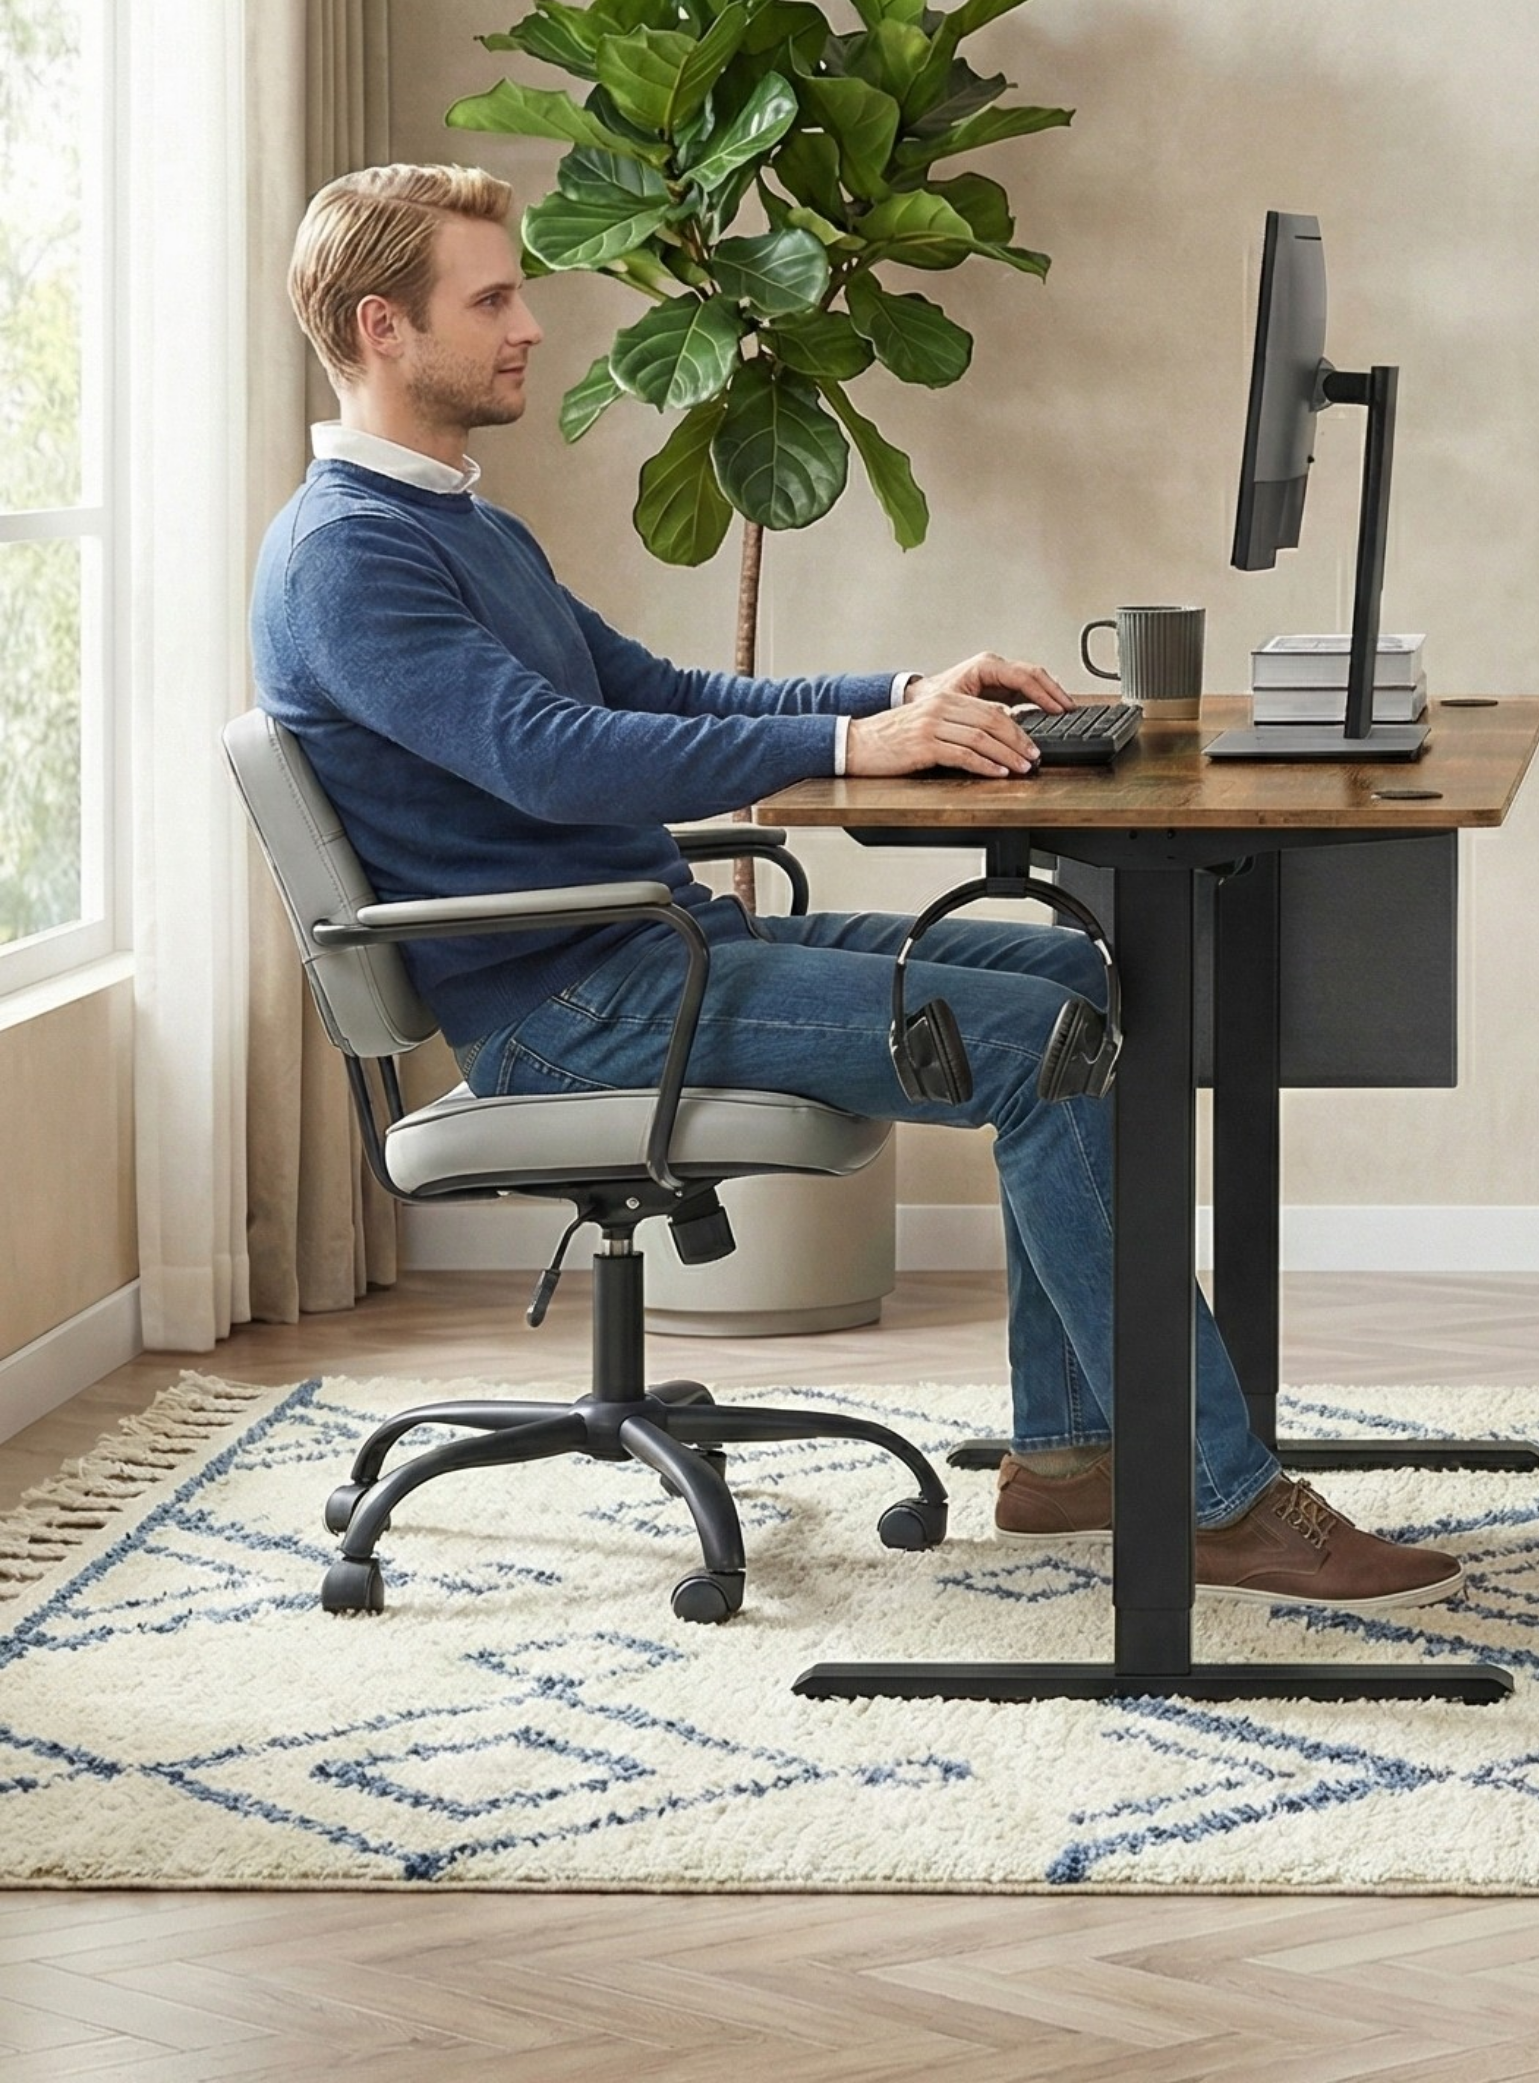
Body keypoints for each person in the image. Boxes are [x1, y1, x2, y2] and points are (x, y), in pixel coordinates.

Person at [250, 161, 1462, 1614]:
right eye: (493, 297)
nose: (532, 325)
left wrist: (902, 693)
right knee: (1037, 1046)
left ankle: (1072, 1455)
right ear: (384, 328)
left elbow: (661, 689)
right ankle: (1217, 1498)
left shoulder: (457, 524)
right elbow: (550, 757)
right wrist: (852, 747)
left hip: (648, 954)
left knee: (1070, 974)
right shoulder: (350, 560)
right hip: (572, 1008)